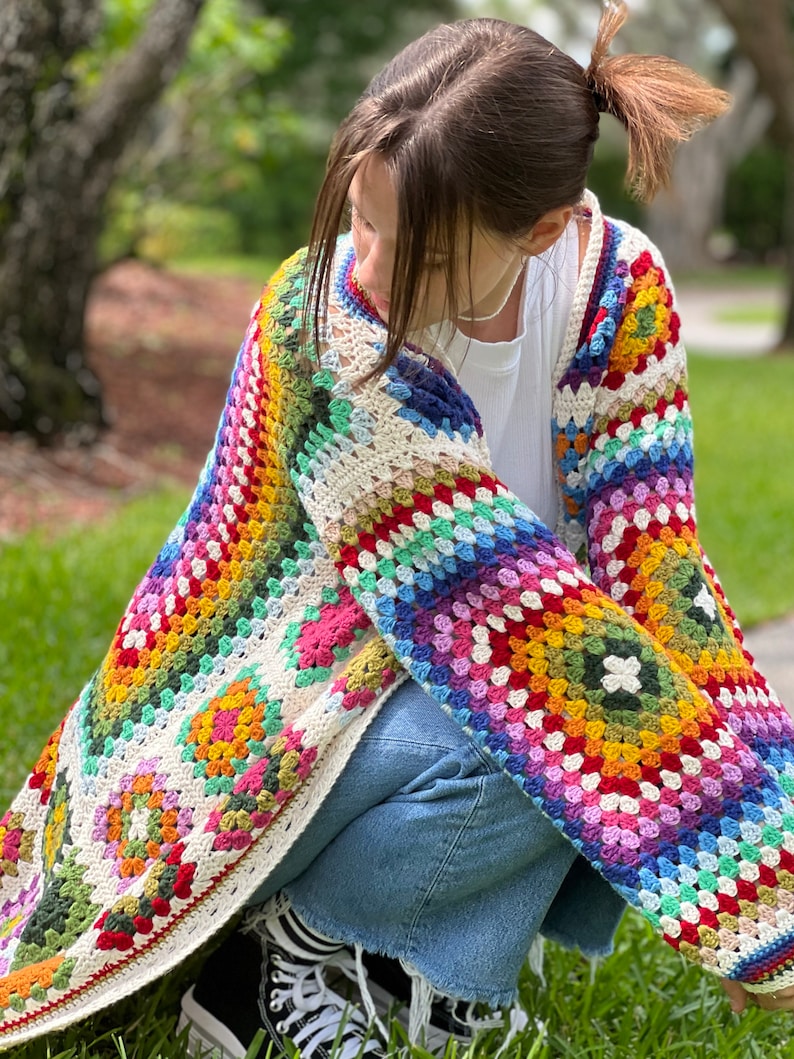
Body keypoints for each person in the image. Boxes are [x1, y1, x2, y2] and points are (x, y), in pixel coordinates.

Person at [2, 2, 794, 1056]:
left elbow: (660, 568)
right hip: (271, 719)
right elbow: (507, 615)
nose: (366, 264)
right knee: (556, 718)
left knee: (614, 692)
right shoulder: (322, 323)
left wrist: (771, 828)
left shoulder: (619, 290)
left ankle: (405, 969)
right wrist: (759, 901)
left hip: (414, 710)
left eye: (408, 245)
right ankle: (289, 958)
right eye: (359, 217)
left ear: (543, 231)